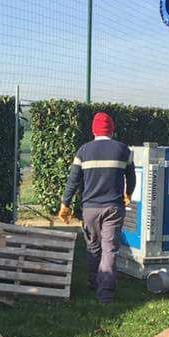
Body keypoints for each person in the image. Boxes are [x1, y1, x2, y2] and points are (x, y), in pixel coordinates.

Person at [58, 112, 136, 303]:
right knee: (109, 249)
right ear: (112, 129)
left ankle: (94, 283)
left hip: (90, 208)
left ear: (93, 129)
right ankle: (106, 293)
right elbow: (131, 177)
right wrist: (128, 194)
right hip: (113, 207)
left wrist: (65, 204)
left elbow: (73, 181)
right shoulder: (123, 150)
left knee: (93, 246)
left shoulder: (83, 151)